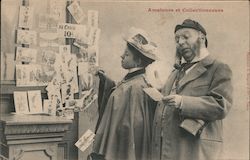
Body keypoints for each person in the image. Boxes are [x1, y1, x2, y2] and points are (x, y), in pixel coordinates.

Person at [152, 19, 233, 160]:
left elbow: (221, 105)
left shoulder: (218, 67)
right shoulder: (176, 72)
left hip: (195, 151)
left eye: (186, 37)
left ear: (201, 38)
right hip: (168, 150)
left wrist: (183, 102)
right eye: (177, 39)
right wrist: (160, 90)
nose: (180, 42)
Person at [90, 27, 158, 160]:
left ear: (138, 61)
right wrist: (105, 80)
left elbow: (132, 127)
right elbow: (118, 94)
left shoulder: (137, 88)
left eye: (126, 54)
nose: (121, 56)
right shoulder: (130, 81)